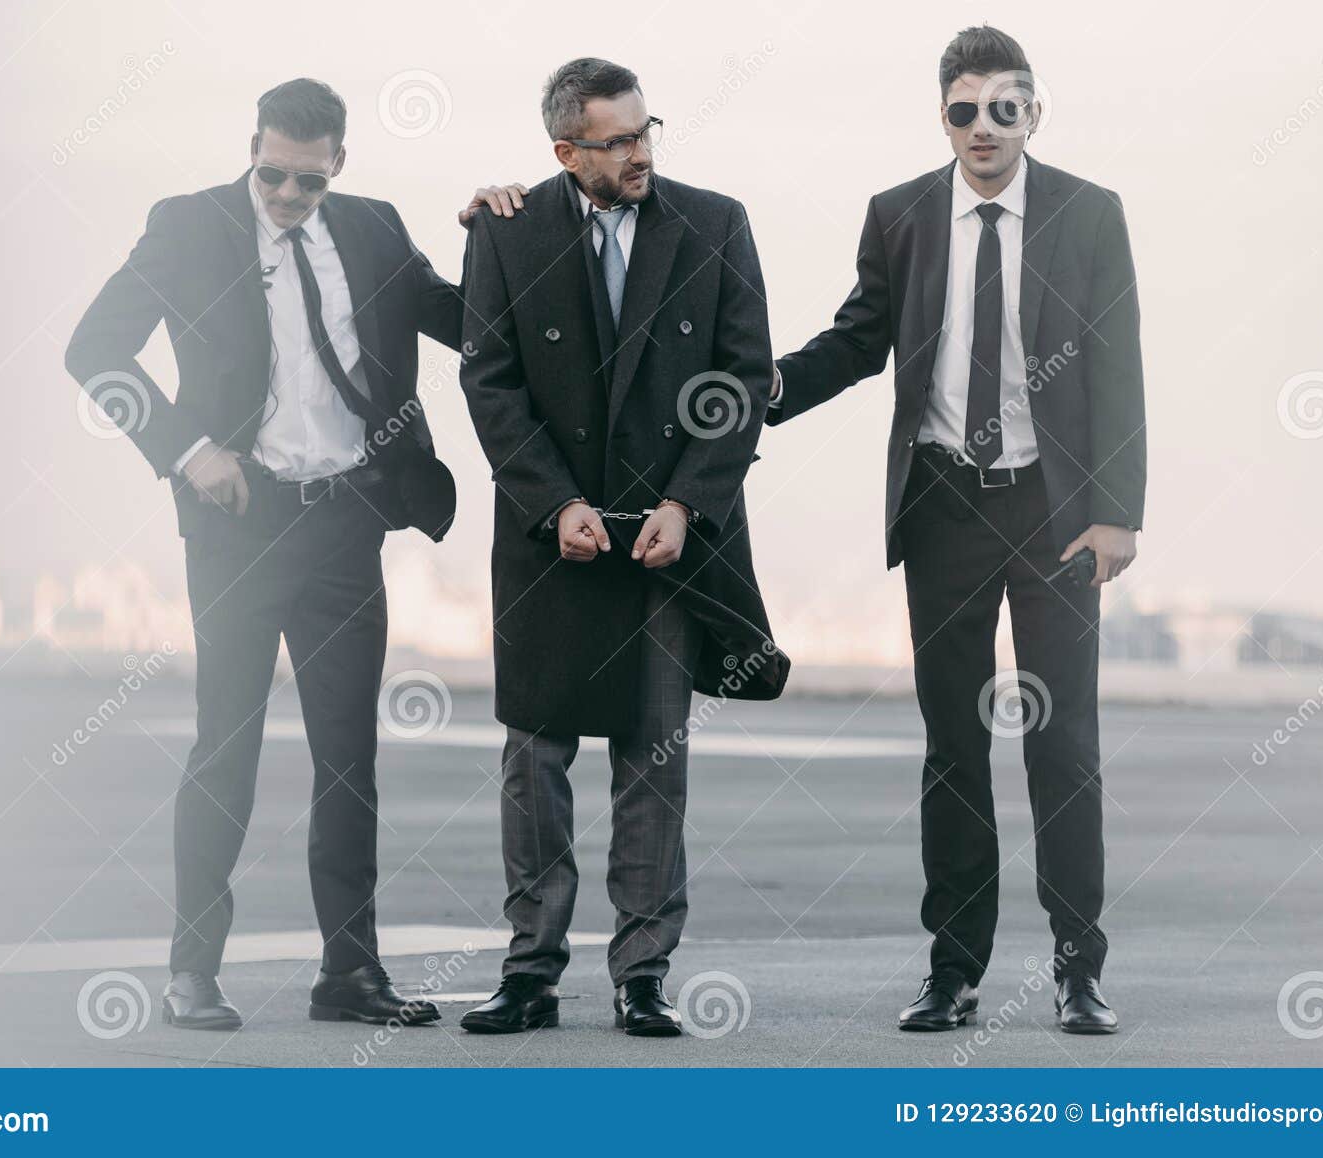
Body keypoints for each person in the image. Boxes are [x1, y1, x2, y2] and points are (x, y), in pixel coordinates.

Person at [65, 77, 525, 1030]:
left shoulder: (372, 227)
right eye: (271, 175)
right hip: (239, 525)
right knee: (224, 745)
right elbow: (94, 349)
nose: (285, 196)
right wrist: (190, 452)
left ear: (339, 165)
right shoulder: (188, 226)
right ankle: (193, 970)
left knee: (349, 758)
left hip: (344, 523)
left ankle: (349, 975)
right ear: (253, 150)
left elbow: (467, 320)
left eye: (305, 182)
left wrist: (497, 231)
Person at [767, 26, 1145, 1034]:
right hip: (943, 508)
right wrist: (764, 386)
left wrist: (1118, 513)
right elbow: (857, 338)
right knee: (952, 747)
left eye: (1003, 107)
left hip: (1054, 511)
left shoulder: (1087, 213)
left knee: (1063, 744)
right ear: (942, 117)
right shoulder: (900, 215)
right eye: (963, 110)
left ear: (1033, 111)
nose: (983, 127)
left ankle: (1076, 965)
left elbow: (1117, 368)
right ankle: (954, 970)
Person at [456, 57, 789, 1038]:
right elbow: (491, 380)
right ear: (566, 151)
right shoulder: (507, 233)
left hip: (662, 542)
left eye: (648, 132)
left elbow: (742, 378)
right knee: (535, 760)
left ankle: (642, 972)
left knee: (654, 760)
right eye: (617, 141)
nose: (641, 153)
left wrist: (689, 506)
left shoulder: (713, 223)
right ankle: (530, 970)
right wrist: (552, 502)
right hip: (547, 541)